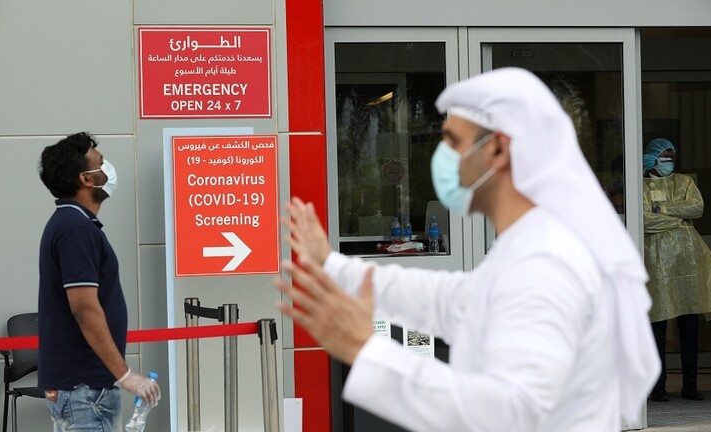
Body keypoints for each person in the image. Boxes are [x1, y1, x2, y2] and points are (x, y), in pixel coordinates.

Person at [275, 68, 660, 431]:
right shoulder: (525, 246)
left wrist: (365, 351)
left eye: (453, 141)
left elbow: (512, 410)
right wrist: (333, 266)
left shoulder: (544, 261)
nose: (441, 154)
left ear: (498, 150)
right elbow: (449, 300)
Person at [38, 132, 160, 431]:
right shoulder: (76, 229)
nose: (108, 168)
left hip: (83, 389)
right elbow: (84, 308)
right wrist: (125, 375)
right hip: (84, 391)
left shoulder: (74, 224)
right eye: (101, 163)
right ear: (86, 179)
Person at [642, 138, 711, 402]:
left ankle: (690, 386)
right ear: (651, 159)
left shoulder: (685, 182)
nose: (669, 162)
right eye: (664, 157)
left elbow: (697, 207)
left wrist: (663, 209)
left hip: (688, 263)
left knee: (689, 327)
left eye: (671, 157)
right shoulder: (640, 187)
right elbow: (644, 220)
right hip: (657, 264)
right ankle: (658, 387)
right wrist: (680, 219)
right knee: (657, 327)